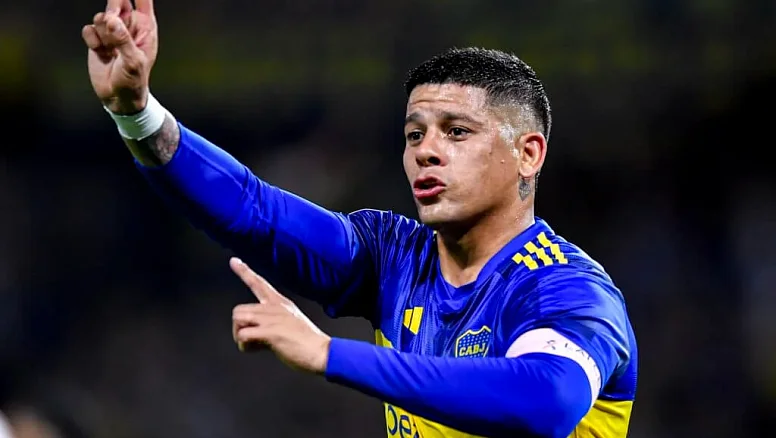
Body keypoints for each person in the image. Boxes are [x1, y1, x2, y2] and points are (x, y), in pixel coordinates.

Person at [81, 0, 638, 436]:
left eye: (456, 132)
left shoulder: (567, 288)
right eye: (414, 134)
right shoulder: (391, 259)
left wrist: (328, 353)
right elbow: (254, 210)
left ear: (528, 154)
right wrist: (136, 112)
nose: (426, 151)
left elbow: (546, 400)